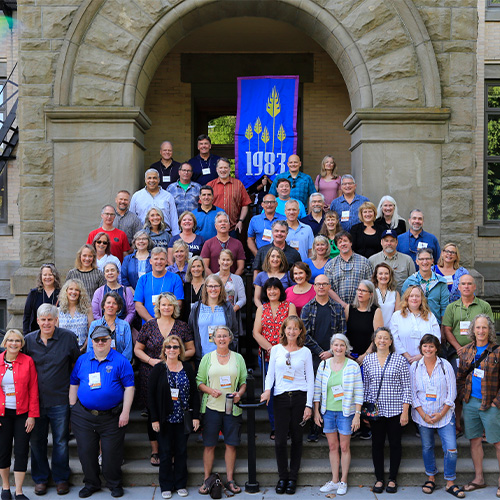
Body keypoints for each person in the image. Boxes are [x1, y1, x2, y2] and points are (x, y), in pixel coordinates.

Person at [69, 326, 135, 499]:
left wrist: (126, 412)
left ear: (110, 341)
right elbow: (74, 382)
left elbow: (129, 387)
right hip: (83, 415)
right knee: (86, 452)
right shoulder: (82, 360)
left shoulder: (121, 361)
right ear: (92, 342)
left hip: (112, 416)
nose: (100, 342)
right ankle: (91, 483)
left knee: (112, 453)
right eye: (97, 340)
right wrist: (73, 407)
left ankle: (114, 483)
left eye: (104, 339)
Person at [24, 304, 80, 497]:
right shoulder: (28, 341)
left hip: (60, 399)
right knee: (37, 441)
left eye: (50, 319)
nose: (46, 323)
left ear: (56, 320)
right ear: (38, 321)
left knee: (61, 441)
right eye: (43, 319)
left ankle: (61, 478)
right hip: (34, 402)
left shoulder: (68, 338)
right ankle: (40, 479)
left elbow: (76, 365)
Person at [135, 292, 194, 467]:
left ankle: (173, 450)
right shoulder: (149, 326)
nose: (166, 307)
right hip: (152, 373)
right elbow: (138, 349)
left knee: (175, 411)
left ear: (175, 307)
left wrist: (176, 358)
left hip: (176, 374)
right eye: (163, 305)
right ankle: (155, 451)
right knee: (154, 411)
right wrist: (151, 360)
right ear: (158, 307)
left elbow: (191, 350)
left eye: (170, 305)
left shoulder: (182, 327)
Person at [261, 316, 314, 495]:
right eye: (288, 328)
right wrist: (267, 390)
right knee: (281, 440)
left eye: (295, 328)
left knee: (298, 439)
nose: (291, 331)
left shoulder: (305, 352)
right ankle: (282, 476)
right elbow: (270, 374)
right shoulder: (275, 350)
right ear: (283, 330)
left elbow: (311, 380)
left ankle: (293, 478)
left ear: (300, 331)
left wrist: (309, 405)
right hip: (281, 398)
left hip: (300, 397)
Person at [409, 334, 464, 498]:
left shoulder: (445, 365)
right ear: (421, 348)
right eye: (425, 346)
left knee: (452, 449)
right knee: (427, 447)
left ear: (437, 348)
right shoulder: (415, 367)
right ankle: (431, 477)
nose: (428, 349)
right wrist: (423, 414)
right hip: (423, 415)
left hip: (445, 415)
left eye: (431, 346)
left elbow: (452, 392)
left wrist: (441, 414)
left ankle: (450, 482)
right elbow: (412, 394)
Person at [196, 326, 247, 496]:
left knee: (231, 445)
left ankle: (230, 480)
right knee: (209, 445)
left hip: (232, 409)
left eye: (225, 336)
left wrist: (240, 393)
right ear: (213, 339)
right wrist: (210, 391)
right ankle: (206, 480)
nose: (222, 339)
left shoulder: (238, 358)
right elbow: (199, 381)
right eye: (219, 336)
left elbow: (243, 381)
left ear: (230, 338)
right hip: (211, 407)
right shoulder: (207, 358)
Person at [148, 336, 200, 499]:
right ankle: (166, 485)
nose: (171, 350)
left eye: (175, 347)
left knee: (181, 452)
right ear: (164, 349)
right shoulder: (158, 369)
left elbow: (194, 394)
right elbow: (150, 396)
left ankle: (180, 484)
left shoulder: (187, 368)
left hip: (183, 417)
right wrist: (154, 419)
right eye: (168, 347)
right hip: (164, 419)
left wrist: (196, 416)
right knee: (164, 452)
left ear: (180, 350)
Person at [443, 274, 494, 437]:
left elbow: (489, 329)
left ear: (474, 287)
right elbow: (447, 329)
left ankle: (484, 425)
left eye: (469, 284)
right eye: (463, 284)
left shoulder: (484, 305)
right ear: (458, 287)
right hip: (457, 353)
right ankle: (457, 423)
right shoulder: (452, 307)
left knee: (482, 385)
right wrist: (459, 348)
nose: (466, 286)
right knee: (458, 386)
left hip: (481, 352)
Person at [363, 327, 411, 494]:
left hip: (395, 410)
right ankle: (379, 478)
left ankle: (392, 479)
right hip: (376, 411)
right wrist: (366, 410)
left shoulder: (399, 360)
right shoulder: (368, 360)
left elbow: (407, 387)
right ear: (374, 341)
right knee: (377, 444)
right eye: (379, 338)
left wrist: (405, 411)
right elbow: (366, 387)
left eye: (385, 338)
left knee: (395, 444)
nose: (382, 341)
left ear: (391, 341)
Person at [313, 334, 363, 496]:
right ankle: (334, 480)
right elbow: (317, 390)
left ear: (346, 347)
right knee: (333, 447)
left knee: (344, 446)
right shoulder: (324, 365)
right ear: (331, 347)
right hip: (328, 412)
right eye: (336, 345)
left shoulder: (353, 366)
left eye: (342, 345)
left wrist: (357, 414)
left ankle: (343, 480)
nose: (339, 348)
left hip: (346, 412)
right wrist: (316, 411)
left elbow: (359, 392)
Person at [456, 314, 500, 496]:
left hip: (491, 403)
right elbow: (460, 377)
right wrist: (463, 396)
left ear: (489, 330)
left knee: (497, 442)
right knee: (474, 441)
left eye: (484, 327)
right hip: (470, 402)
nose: (481, 331)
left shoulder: (497, 351)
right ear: (472, 330)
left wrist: (497, 403)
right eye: (478, 327)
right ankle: (479, 478)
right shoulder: (466, 351)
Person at [253, 278, 297, 439]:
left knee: (287, 392)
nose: (272, 292)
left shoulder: (289, 306)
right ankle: (276, 427)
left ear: (281, 290)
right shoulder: (261, 309)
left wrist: (279, 349)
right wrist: (271, 348)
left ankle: (289, 427)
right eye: (269, 289)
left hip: (286, 355)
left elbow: (292, 330)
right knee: (270, 393)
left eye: (275, 289)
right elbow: (256, 332)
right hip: (266, 356)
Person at [0, 329, 39, 500]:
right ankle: (6, 488)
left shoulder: (28, 361)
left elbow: (33, 389)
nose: (14, 343)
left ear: (22, 344)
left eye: (17, 341)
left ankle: (19, 491)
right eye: (10, 340)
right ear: (5, 343)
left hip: (23, 413)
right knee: (3, 451)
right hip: (2, 414)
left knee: (22, 451)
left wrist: (32, 415)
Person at [188, 275, 239, 363]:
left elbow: (234, 332)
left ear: (221, 288)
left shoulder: (227, 307)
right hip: (202, 358)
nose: (213, 289)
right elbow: (190, 331)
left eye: (216, 286)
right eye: (210, 286)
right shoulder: (197, 307)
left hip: (224, 357)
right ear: (205, 288)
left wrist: (229, 350)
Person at [390, 286, 440, 364]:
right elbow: (394, 338)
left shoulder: (430, 316)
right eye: (411, 296)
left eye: (417, 296)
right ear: (407, 298)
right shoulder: (397, 316)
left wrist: (422, 355)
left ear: (422, 299)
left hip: (426, 360)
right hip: (402, 361)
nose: (414, 298)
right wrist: (407, 356)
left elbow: (436, 338)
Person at [134, 247, 184, 325]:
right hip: (148, 325)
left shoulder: (175, 278)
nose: (159, 262)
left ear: (166, 261)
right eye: (156, 259)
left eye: (162, 259)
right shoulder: (143, 279)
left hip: (169, 325)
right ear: (150, 261)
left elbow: (178, 303)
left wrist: (163, 321)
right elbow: (138, 305)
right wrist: (150, 320)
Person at [324, 231, 373, 308]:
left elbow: (371, 285)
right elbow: (328, 288)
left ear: (351, 243)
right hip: (338, 308)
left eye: (345, 241)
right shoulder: (330, 265)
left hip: (361, 308)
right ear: (337, 246)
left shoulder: (364, 262)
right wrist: (343, 305)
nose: (343, 244)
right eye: (340, 242)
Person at [402, 248, 449, 326]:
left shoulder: (441, 282)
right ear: (417, 262)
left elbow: (444, 308)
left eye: (428, 259)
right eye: (421, 259)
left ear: (432, 260)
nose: (425, 262)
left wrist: (443, 329)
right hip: (413, 324)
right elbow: (403, 305)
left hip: (435, 325)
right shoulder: (409, 282)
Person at [345, 279, 384, 369]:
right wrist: (346, 351)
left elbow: (378, 336)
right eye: (359, 290)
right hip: (349, 356)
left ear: (371, 294)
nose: (360, 293)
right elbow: (343, 331)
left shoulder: (376, 311)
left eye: (363, 291)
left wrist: (365, 355)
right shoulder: (349, 308)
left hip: (368, 357)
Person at [208, 157, 252, 234]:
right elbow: (203, 205)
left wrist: (240, 221)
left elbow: (245, 204)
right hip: (213, 228)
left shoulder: (238, 184)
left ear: (229, 169)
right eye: (221, 167)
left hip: (233, 228)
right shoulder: (210, 185)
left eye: (225, 167)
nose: (223, 170)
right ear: (217, 169)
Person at [129, 169, 180, 234]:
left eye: (154, 178)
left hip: (165, 235)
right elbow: (132, 218)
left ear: (159, 179)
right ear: (145, 180)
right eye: (149, 178)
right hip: (143, 235)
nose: (152, 180)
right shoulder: (136, 196)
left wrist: (175, 236)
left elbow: (174, 218)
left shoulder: (168, 196)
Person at [88, 292, 133, 362]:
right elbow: (90, 349)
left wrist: (118, 364)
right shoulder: (94, 325)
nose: (111, 305)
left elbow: (128, 351)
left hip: (120, 365)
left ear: (118, 307)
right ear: (103, 305)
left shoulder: (125, 325)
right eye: (108, 303)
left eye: (114, 303)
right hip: (99, 364)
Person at [369, 229, 416, 293]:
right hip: (378, 300)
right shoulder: (372, 260)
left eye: (392, 241)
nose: (389, 243)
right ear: (381, 242)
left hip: (402, 300)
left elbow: (413, 283)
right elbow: (369, 284)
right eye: (386, 241)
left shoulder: (407, 260)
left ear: (396, 242)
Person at [23, 263, 61, 335]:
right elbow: (27, 316)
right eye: (45, 275)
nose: (47, 277)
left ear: (55, 277)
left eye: (50, 274)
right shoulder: (33, 294)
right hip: (36, 335)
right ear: (41, 277)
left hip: (57, 335)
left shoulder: (61, 293)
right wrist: (26, 335)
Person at [58, 279, 94, 351]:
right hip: (63, 350)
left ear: (80, 293)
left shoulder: (87, 310)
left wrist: (84, 346)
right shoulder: (58, 311)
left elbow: (92, 330)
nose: (73, 292)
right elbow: (55, 333)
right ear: (66, 291)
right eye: (71, 289)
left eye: (77, 290)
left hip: (83, 350)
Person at [215, 249, 246, 315]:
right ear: (219, 261)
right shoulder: (212, 278)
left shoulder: (237, 279)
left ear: (232, 262)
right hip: (214, 314)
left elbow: (242, 299)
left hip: (231, 314)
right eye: (223, 259)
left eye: (228, 260)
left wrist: (233, 309)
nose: (225, 262)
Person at [371, 263, 401, 327]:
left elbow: (398, 316)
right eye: (380, 273)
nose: (383, 276)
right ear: (376, 276)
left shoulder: (395, 294)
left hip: (390, 331)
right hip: (373, 330)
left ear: (390, 276)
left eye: (386, 273)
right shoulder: (371, 292)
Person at [180, 256, 206, 323]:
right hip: (187, 322)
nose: (196, 269)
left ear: (203, 268)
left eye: (198, 266)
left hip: (204, 322)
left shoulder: (208, 286)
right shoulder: (185, 286)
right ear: (190, 269)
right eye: (193, 266)